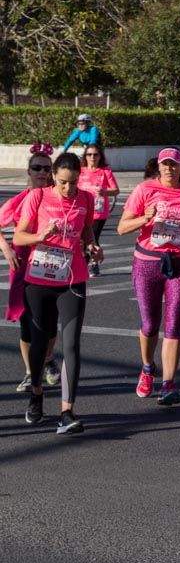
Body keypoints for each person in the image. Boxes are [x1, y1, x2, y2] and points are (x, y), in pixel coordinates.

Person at [12, 152, 101, 433]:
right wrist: (40, 236)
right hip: (39, 280)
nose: (68, 189)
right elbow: (19, 236)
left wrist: (93, 247)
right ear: (53, 177)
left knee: (72, 344)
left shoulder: (85, 199)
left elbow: (87, 233)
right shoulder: (38, 197)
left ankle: (67, 412)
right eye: (63, 182)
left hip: (71, 278)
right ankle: (36, 393)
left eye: (73, 182)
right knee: (40, 343)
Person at [117, 147, 180, 406]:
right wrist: (146, 217)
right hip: (148, 263)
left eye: (173, 164)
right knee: (149, 324)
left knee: (174, 324)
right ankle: (146, 368)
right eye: (164, 164)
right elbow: (122, 227)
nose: (169, 168)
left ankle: (168, 384)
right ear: (158, 167)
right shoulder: (145, 190)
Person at [0, 144, 60, 393]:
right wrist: (6, 249)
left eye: (46, 168)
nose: (42, 172)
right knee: (26, 320)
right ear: (28, 170)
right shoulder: (20, 200)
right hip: (24, 264)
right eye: (37, 167)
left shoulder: (58, 196)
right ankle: (29, 372)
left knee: (51, 318)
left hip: (52, 263)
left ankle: (46, 358)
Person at [77, 144, 119, 277]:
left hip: (98, 212)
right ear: (85, 156)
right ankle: (83, 263)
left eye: (95, 154)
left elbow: (116, 190)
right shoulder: (80, 171)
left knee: (93, 237)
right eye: (89, 154)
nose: (92, 157)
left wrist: (104, 191)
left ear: (100, 156)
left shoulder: (105, 171)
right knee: (81, 238)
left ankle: (92, 265)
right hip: (81, 210)